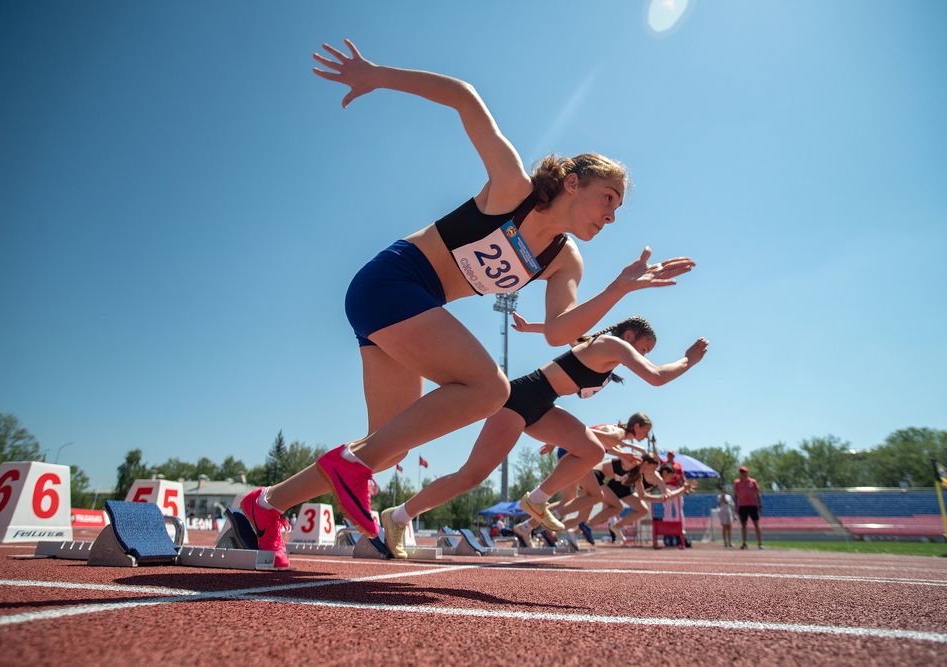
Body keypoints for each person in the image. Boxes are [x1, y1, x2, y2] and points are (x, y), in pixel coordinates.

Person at [238, 39, 697, 568]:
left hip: (409, 309)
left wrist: (620, 287)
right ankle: (344, 470)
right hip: (389, 281)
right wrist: (376, 74)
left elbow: (557, 332)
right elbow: (464, 97)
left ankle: (263, 504)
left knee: (387, 446)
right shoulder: (512, 189)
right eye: (608, 200)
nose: (612, 216)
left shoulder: (564, 260)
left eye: (618, 210)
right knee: (487, 388)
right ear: (573, 183)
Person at [380, 317, 708, 558]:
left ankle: (536, 499)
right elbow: (656, 377)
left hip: (544, 406)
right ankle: (398, 516)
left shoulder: (601, 348)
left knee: (592, 451)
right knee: (472, 475)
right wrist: (689, 360)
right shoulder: (611, 345)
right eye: (644, 349)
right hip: (519, 399)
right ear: (630, 335)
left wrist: (531, 328)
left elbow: (567, 333)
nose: (644, 356)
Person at [537, 412, 654, 543]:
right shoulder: (618, 434)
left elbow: (602, 443)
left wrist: (623, 455)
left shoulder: (617, 433)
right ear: (637, 426)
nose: (646, 436)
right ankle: (550, 519)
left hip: (571, 451)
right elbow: (585, 431)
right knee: (595, 496)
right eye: (646, 431)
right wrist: (555, 441)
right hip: (576, 453)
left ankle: (527, 526)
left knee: (569, 499)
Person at [734, 465, 763, 549]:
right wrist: (736, 505)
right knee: (743, 524)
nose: (743, 474)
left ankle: (760, 543)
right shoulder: (737, 483)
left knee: (756, 524)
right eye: (741, 472)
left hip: (753, 505)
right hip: (743, 505)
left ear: (747, 473)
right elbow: (735, 495)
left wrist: (760, 504)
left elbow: (758, 494)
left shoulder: (753, 482)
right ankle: (744, 543)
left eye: (744, 472)